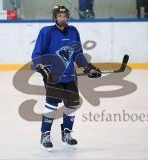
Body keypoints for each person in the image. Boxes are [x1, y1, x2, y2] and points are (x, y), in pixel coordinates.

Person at [31, 5, 101, 151]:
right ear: (55, 17)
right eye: (60, 16)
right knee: (51, 105)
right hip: (53, 76)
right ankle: (45, 135)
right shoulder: (47, 32)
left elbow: (78, 55)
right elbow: (37, 55)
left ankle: (67, 133)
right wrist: (42, 70)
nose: (63, 18)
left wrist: (88, 69)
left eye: (65, 16)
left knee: (72, 104)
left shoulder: (73, 31)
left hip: (70, 76)